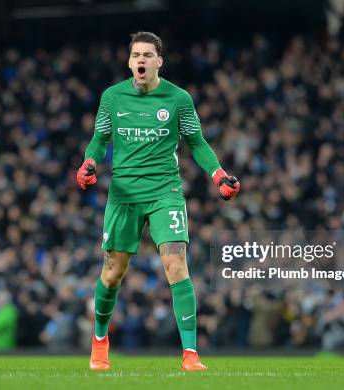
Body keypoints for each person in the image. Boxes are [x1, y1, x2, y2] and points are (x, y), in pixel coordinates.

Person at [76, 31, 240, 371]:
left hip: (165, 192)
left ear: (158, 62)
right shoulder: (112, 97)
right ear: (129, 61)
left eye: (148, 55)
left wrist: (219, 175)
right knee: (112, 273)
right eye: (136, 54)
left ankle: (191, 354)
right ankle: (100, 343)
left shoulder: (178, 99)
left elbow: (197, 143)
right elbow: (99, 140)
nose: (141, 60)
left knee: (176, 265)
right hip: (124, 194)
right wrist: (89, 162)